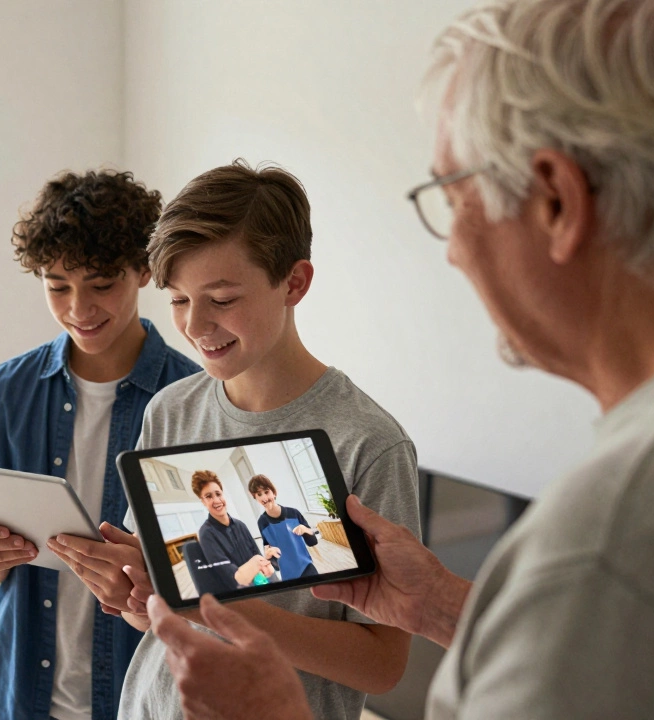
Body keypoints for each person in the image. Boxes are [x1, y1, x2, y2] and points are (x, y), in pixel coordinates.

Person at [146, 0, 654, 718]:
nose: (454, 249)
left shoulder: (603, 552)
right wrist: (446, 607)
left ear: (556, 200)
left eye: (451, 195)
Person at [48, 161, 420, 720]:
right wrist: (135, 595)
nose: (196, 326)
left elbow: (382, 665)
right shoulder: (170, 410)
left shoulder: (367, 443)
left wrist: (204, 604)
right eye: (178, 300)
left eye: (222, 299)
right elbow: (151, 616)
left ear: (294, 283)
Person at [0, 169, 199, 720]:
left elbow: (202, 587)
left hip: (142, 702)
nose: (78, 309)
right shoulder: (6, 391)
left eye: (101, 284)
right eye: (57, 286)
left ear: (143, 270)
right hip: (19, 696)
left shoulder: (191, 403)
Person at [190, 470, 278, 590]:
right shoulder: (206, 534)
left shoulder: (240, 525)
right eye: (209, 496)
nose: (216, 500)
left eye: (218, 494)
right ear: (203, 501)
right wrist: (255, 564)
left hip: (260, 580)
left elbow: (257, 556)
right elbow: (232, 578)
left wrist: (265, 564)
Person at [249, 473, 318, 579]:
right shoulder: (262, 522)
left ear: (274, 492)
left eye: (266, 492)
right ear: (255, 498)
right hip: (288, 576)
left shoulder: (294, 513)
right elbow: (274, 563)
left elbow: (312, 542)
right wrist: (267, 555)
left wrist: (306, 530)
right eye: (259, 494)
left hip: (307, 569)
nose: (264, 497)